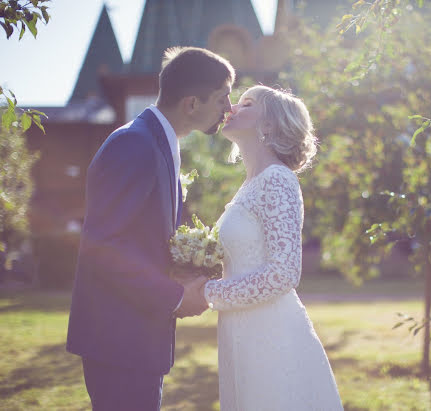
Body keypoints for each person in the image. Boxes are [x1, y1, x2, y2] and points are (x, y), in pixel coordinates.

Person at [66, 47, 235, 410]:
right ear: (192, 104)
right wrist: (174, 297)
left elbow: (143, 240)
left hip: (137, 337)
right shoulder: (134, 145)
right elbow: (103, 247)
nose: (229, 109)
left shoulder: (159, 143)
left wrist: (185, 272)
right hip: (117, 340)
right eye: (223, 98)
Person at [202, 85, 343, 410]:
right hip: (239, 332)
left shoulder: (278, 180)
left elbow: (284, 273)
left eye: (247, 103)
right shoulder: (249, 186)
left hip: (271, 333)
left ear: (268, 126)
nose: (232, 107)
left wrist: (209, 294)